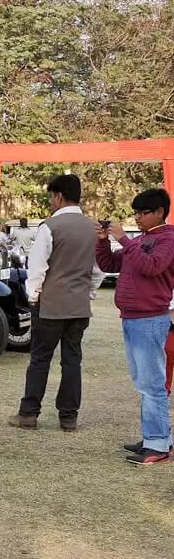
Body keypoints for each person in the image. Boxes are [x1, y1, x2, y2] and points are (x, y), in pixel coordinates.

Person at [10, 174, 104, 433]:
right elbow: (97, 271)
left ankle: (29, 413)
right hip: (79, 305)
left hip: (50, 305)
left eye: (51, 196)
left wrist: (32, 297)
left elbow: (37, 268)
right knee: (72, 360)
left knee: (40, 359)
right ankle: (68, 417)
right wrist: (88, 292)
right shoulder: (91, 228)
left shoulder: (49, 227)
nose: (51, 201)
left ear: (58, 196)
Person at [94, 188, 174, 465]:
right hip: (133, 316)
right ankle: (156, 438)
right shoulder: (144, 239)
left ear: (160, 212)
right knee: (146, 383)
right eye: (136, 213)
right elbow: (108, 263)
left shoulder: (168, 239)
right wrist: (103, 242)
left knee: (152, 384)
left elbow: (152, 267)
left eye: (143, 213)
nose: (138, 218)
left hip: (151, 317)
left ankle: (158, 444)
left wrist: (124, 240)